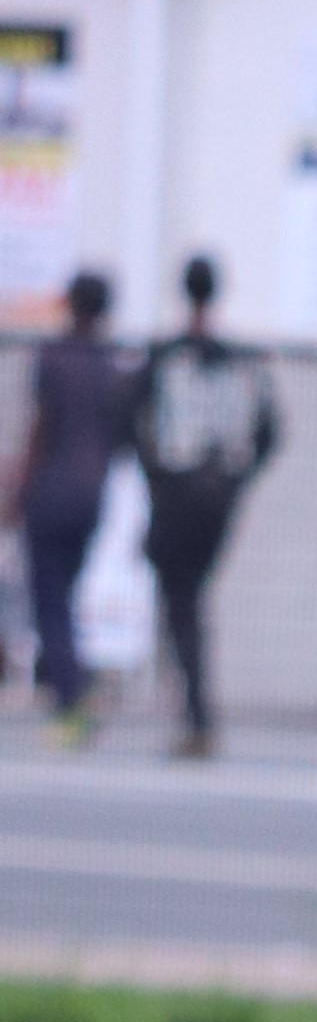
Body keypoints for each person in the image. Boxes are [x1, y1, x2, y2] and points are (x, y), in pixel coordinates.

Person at [129, 251, 281, 758]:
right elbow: (269, 431)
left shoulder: (166, 355)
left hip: (179, 493)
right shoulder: (241, 360)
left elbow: (131, 420)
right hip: (216, 495)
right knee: (189, 600)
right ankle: (194, 712)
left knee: (182, 602)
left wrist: (158, 477)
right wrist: (236, 480)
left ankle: (197, 716)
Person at [8, 269, 123, 738]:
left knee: (50, 603)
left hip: (51, 493)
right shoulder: (113, 366)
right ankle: (71, 683)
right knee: (65, 601)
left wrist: (18, 489)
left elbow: (41, 428)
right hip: (90, 496)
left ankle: (69, 703)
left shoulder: (54, 358)